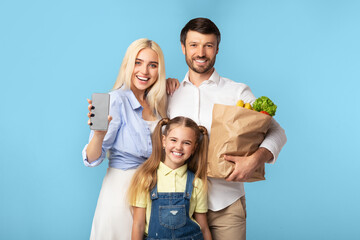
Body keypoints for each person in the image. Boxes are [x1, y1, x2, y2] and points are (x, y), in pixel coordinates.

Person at [167, 18, 287, 240]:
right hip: (177, 206)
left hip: (226, 205)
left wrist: (255, 160)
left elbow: (277, 132)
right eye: (194, 45)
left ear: (217, 49)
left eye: (208, 45)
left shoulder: (237, 92)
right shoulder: (168, 93)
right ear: (183, 47)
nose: (201, 52)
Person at [82, 38, 167, 239]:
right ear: (128, 64)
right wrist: (99, 135)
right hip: (122, 190)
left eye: (152, 65)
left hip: (152, 190)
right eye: (138, 62)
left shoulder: (158, 104)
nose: (144, 71)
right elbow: (92, 159)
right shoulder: (114, 100)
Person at [129, 117, 212, 240]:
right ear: (164, 141)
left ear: (194, 148)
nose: (179, 147)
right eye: (173, 140)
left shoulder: (196, 183)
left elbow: (204, 227)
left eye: (186, 143)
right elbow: (138, 225)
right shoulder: (146, 179)